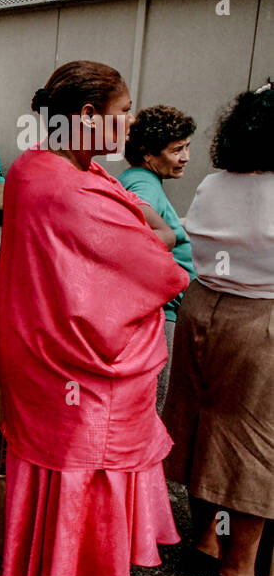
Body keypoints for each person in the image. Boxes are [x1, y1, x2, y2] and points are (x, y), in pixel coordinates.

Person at [0, 60, 188, 576]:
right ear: (85, 116)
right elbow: (157, 265)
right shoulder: (69, 185)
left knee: (54, 472)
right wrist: (164, 238)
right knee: (71, 472)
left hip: (37, 345)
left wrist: (151, 230)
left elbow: (136, 227)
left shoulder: (36, 168)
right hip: (71, 361)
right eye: (121, 111)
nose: (129, 122)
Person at [163, 85, 274, 576]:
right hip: (260, 319)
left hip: (202, 307)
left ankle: (205, 540)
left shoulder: (214, 183)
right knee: (256, 441)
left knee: (204, 422)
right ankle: (239, 570)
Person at [118, 105, 196, 410]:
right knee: (154, 400)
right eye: (177, 149)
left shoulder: (142, 179)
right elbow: (135, 235)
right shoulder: (142, 182)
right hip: (161, 313)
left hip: (162, 310)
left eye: (187, 147)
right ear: (148, 154)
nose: (186, 157)